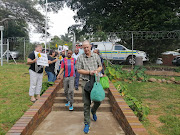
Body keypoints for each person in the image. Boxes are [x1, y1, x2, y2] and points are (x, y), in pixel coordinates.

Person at [76, 40, 102, 134]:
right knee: (86, 104)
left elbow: (100, 66)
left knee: (98, 101)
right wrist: (89, 72)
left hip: (95, 82)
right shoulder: (80, 57)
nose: (86, 49)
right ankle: (87, 123)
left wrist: (96, 71)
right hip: (85, 83)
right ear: (82, 48)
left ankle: (94, 111)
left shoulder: (96, 56)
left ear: (90, 46)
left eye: (87, 47)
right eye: (84, 47)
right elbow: (78, 70)